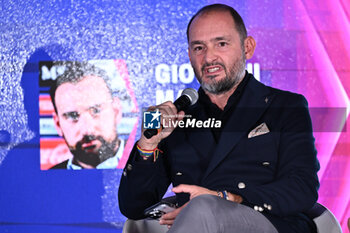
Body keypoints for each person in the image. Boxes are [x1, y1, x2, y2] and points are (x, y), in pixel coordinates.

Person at [119, 3, 319, 233]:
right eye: (199, 48)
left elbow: (302, 188)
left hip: (269, 224)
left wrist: (227, 198)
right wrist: (148, 143)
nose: (209, 57)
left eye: (221, 44)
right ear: (189, 55)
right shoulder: (177, 116)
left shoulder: (285, 106)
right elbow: (133, 208)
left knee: (203, 206)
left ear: (247, 47)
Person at [49, 61, 124, 169]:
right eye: (72, 116)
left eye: (96, 111)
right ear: (58, 125)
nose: (87, 130)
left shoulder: (150, 165)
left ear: (116, 111)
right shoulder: (46, 180)